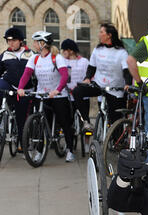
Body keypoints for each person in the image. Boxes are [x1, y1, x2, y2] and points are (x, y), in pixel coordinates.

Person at [17, 31, 75, 162]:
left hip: (58, 96)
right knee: (40, 123)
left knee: (64, 123)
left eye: (36, 42)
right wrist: (20, 87)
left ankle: (70, 150)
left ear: (42, 44)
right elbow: (26, 74)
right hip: (41, 95)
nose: (34, 44)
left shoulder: (56, 58)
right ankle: (39, 151)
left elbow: (64, 76)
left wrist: (57, 90)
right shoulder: (35, 58)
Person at [73, 23, 131, 129]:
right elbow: (92, 67)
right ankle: (86, 121)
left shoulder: (121, 52)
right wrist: (87, 78)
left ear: (109, 35)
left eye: (101, 32)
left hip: (115, 89)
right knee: (77, 91)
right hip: (99, 85)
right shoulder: (98, 49)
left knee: (115, 122)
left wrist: (127, 83)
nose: (99, 35)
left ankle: (115, 142)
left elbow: (127, 71)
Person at [0, 27, 33, 153]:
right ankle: (2, 115)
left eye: (13, 40)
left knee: (21, 118)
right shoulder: (5, 54)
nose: (10, 43)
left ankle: (21, 142)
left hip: (24, 90)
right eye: (8, 41)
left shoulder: (31, 54)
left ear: (20, 41)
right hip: (10, 86)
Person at [60, 39, 90, 128]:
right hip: (67, 96)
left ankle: (86, 140)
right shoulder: (62, 61)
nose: (63, 52)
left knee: (85, 120)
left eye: (64, 50)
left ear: (71, 51)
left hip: (82, 95)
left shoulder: (84, 62)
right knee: (68, 121)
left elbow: (90, 76)